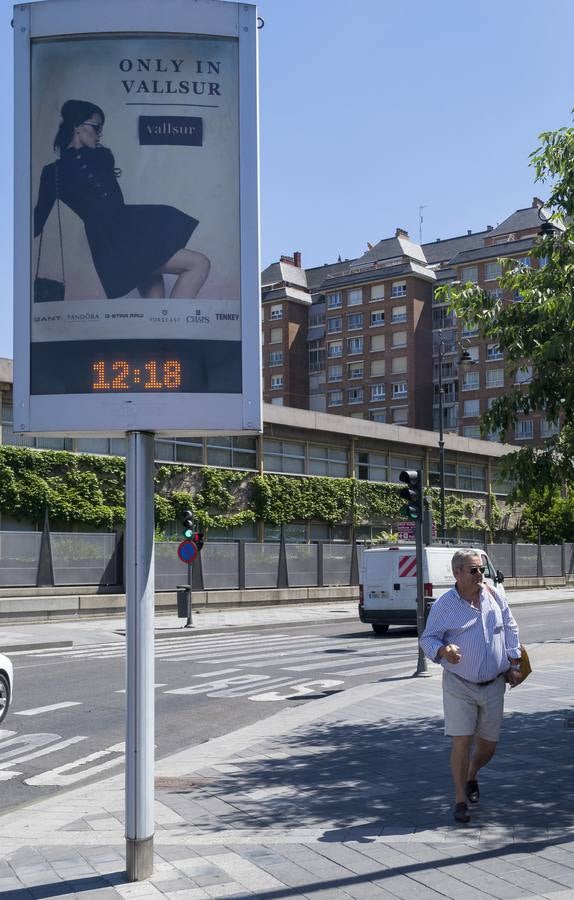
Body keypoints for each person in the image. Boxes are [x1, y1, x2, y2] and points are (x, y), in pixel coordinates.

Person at [34, 99, 210, 299]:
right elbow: (37, 222)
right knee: (199, 264)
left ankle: (170, 329)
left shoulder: (102, 157)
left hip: (132, 230)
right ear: (77, 127)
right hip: (113, 241)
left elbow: (111, 203)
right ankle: (178, 329)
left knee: (156, 309)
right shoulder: (53, 173)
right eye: (96, 127)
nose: (100, 133)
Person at [419, 549, 522, 824]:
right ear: (457, 573)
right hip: (459, 684)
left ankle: (471, 774)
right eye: (474, 570)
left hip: (494, 683)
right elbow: (427, 639)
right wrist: (443, 650)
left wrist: (514, 661)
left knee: (488, 746)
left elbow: (510, 626)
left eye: (482, 570)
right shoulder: (445, 605)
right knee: (461, 741)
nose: (480, 575)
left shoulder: (494, 595)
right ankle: (460, 800)